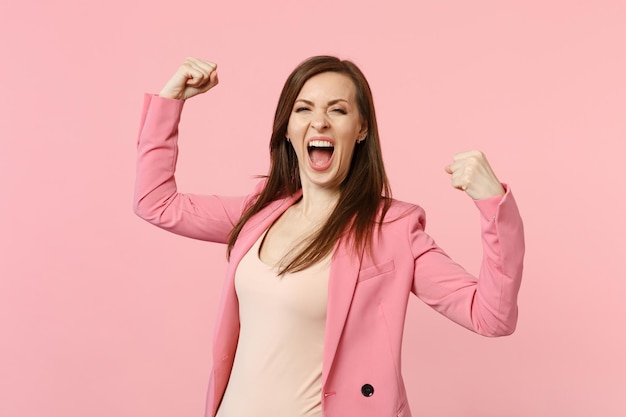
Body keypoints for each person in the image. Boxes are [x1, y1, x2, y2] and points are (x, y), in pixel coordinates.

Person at [134, 56, 524, 417]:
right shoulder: (258, 211)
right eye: (303, 109)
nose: (319, 122)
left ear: (361, 129)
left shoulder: (392, 230)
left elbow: (490, 316)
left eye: (337, 110)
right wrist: (171, 102)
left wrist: (494, 205)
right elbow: (156, 203)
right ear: (288, 129)